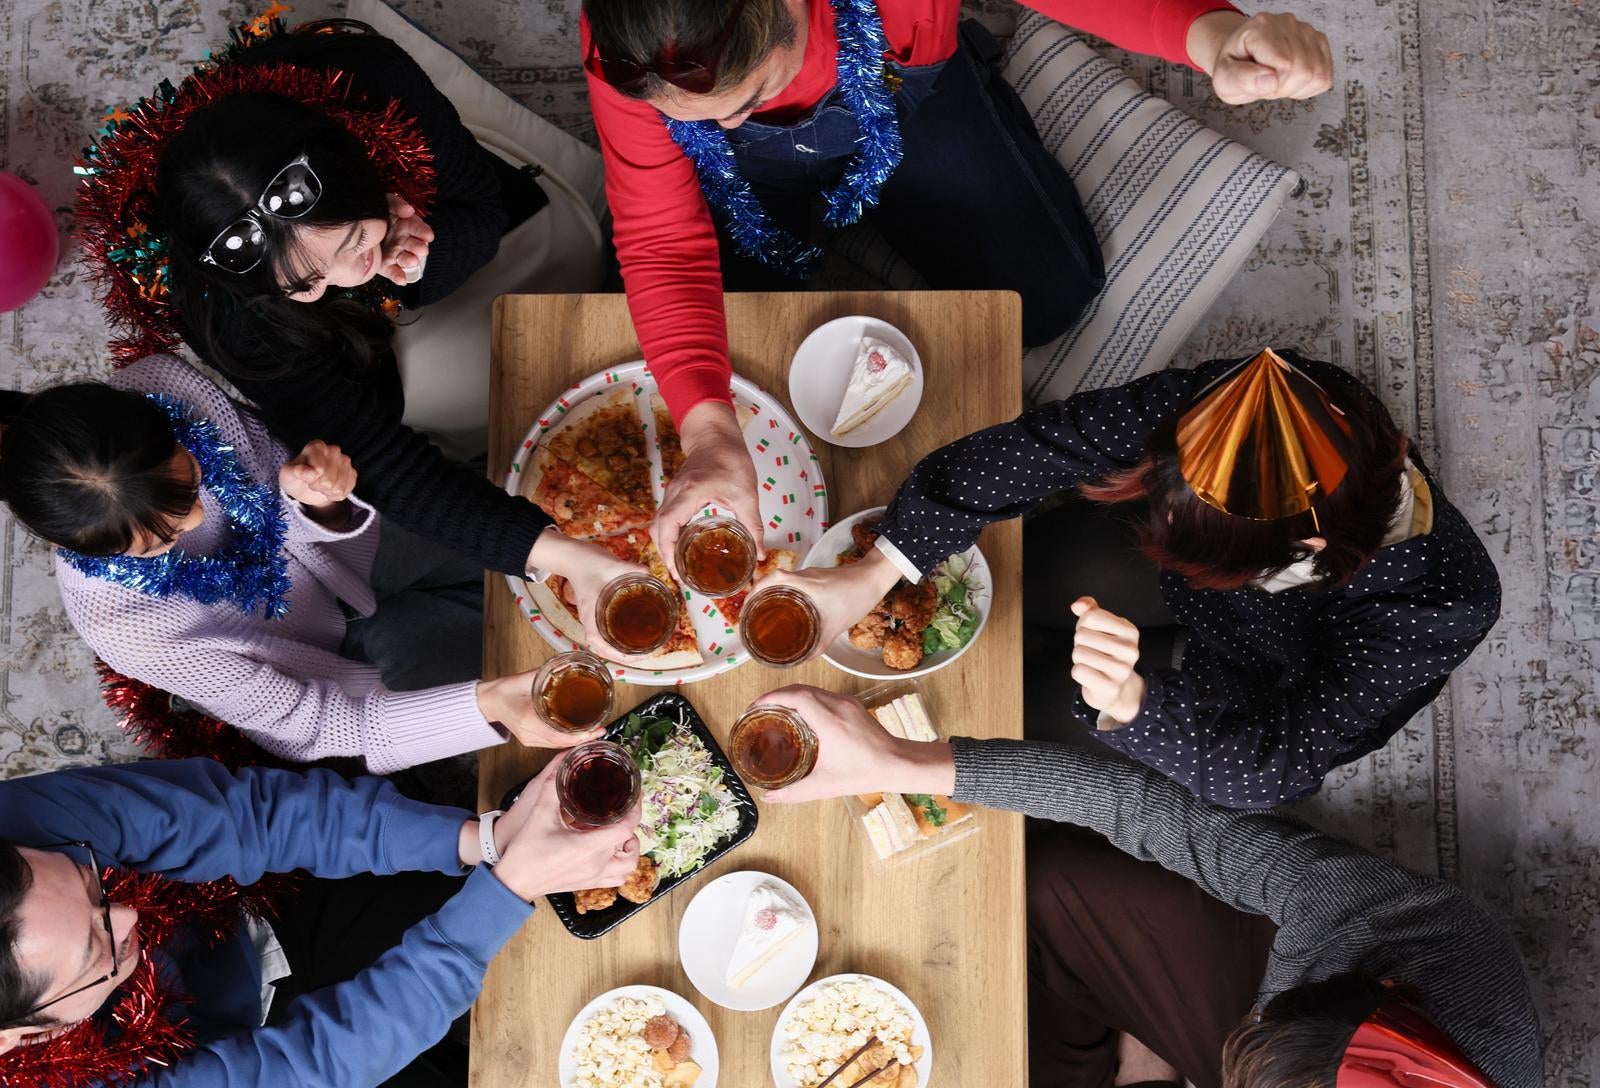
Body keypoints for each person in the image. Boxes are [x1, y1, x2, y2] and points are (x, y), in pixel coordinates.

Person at [578, 0, 1336, 579]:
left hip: (897, 90)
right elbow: (662, 242)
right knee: (702, 374)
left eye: (750, 100)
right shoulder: (637, 37)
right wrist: (710, 432)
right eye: (708, 114)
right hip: (723, 172)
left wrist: (1210, 35)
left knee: (1046, 297)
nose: (741, 119)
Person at [75, 14, 628, 629]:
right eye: (307, 284)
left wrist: (421, 260)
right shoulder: (227, 310)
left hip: (433, 195)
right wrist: (556, 555)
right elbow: (376, 452)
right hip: (345, 346)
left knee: (569, 259)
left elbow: (484, 211)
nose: (348, 277)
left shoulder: (375, 85)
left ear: (365, 175)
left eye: (354, 242)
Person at [761, 349, 1501, 807]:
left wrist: (1129, 701)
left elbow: (1276, 766)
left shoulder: (1439, 602)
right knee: (1032, 574)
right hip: (1198, 590)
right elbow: (1039, 447)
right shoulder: (1252, 401)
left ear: (1304, 547)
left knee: (1011, 719)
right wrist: (881, 567)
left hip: (1253, 679)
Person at [753, 685, 1541, 1088]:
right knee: (1054, 884)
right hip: (1287, 978)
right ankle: (1135, 1055)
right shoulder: (1393, 925)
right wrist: (900, 761)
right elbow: (1146, 810)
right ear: (1385, 989)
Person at [0, 354, 645, 772]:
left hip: (360, 542)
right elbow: (316, 722)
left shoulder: (165, 387)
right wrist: (487, 704)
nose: (195, 522)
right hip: (345, 673)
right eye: (159, 540)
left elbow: (300, 486)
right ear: (72, 548)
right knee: (546, 730)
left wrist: (315, 501)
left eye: (191, 485)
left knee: (565, 524)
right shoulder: (122, 627)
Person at [0, 752, 642, 1087]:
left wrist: (486, 843)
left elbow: (252, 819)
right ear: (21, 1039)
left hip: (253, 915)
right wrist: (508, 888)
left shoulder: (17, 831)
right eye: (97, 949)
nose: (129, 911)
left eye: (89, 878)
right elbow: (306, 1069)